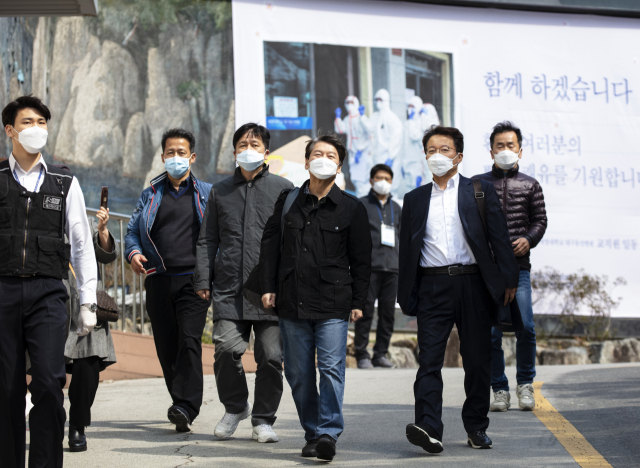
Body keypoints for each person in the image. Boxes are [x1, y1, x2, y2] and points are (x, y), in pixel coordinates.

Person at [398, 125, 519, 453]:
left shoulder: (478, 191)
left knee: (478, 360)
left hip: (473, 283)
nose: (437, 156)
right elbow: (407, 251)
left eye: (445, 150)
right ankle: (428, 426)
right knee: (429, 361)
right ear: (425, 156)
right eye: (431, 150)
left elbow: (499, 238)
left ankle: (476, 426)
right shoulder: (413, 199)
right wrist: (405, 293)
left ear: (459, 156)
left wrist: (509, 280)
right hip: (432, 286)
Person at [258, 132, 372, 461]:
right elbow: (270, 247)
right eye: (317, 154)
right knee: (298, 371)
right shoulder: (289, 201)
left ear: (339, 167)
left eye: (331, 156)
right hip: (292, 301)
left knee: (332, 367)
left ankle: (328, 432)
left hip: (334, 302)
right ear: (306, 162)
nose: (323, 159)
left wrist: (358, 302)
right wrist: (268, 287)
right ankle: (312, 432)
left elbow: (362, 260)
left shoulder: (351, 208)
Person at [0, 95, 98, 468]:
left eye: (42, 122)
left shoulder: (64, 182)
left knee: (47, 384)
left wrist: (87, 301)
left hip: (48, 295)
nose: (36, 129)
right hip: (3, 291)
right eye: (28, 122)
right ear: (10, 130)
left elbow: (82, 244)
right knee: (6, 389)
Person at [194, 123, 293, 443]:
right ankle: (236, 406)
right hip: (229, 288)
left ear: (266, 151)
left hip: (270, 290)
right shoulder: (219, 191)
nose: (248, 149)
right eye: (242, 144)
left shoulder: (283, 188)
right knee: (225, 348)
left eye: (255, 144)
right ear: (234, 151)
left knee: (271, 356)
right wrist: (203, 279)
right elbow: (207, 239)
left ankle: (263, 419)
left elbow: (291, 242)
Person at [125, 128, 212, 432]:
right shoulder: (150, 193)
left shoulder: (206, 193)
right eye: (170, 153)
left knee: (189, 340)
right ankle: (181, 406)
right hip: (158, 280)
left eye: (181, 152)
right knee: (166, 346)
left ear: (192, 156)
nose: (176, 158)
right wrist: (134, 253)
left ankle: (187, 405)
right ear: (162, 157)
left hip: (194, 282)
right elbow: (133, 231)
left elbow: (218, 236)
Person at [472, 121, 547, 412]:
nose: (505, 150)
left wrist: (528, 239)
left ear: (520, 150)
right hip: (486, 271)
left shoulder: (530, 184)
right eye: (500, 146)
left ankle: (525, 385)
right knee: (491, 332)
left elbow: (540, 221)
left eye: (510, 145)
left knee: (526, 327)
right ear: (491, 151)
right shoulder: (477, 184)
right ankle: (499, 389)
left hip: (519, 269)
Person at [65, 208, 118, 452]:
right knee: (45, 371)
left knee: (88, 371)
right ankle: (50, 421)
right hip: (51, 302)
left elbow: (106, 255)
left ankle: (77, 425)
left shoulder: (80, 220)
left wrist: (103, 230)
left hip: (85, 303)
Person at [355, 164, 401, 369]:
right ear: (372, 180)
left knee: (388, 313)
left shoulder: (397, 208)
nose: (383, 182)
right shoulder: (361, 204)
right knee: (365, 312)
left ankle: (380, 354)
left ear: (392, 182)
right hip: (369, 268)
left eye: (387, 179)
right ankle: (362, 354)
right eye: (379, 177)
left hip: (392, 268)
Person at [334, 96, 371, 197]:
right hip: (353, 152)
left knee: (362, 178)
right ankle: (361, 198)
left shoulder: (361, 118)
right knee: (355, 177)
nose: (349, 105)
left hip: (362, 152)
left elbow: (368, 133)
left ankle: (364, 199)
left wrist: (361, 150)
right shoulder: (347, 119)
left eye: (351, 102)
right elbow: (341, 129)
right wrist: (338, 117)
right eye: (347, 102)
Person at [363, 89, 402, 174]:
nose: (378, 102)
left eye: (380, 99)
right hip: (376, 157)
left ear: (386, 100)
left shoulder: (392, 118)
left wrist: (391, 157)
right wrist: (362, 117)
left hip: (387, 157)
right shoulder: (375, 116)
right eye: (376, 99)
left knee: (389, 184)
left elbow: (396, 139)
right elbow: (369, 128)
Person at [397, 95, 429, 197]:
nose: (410, 109)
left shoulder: (422, 124)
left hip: (417, 164)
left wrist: (413, 120)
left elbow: (414, 136)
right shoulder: (407, 124)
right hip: (407, 163)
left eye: (413, 106)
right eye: (409, 106)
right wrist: (402, 164)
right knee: (409, 193)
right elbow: (403, 145)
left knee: (418, 193)